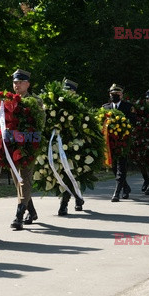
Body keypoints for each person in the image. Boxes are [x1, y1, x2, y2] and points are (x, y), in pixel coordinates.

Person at [9, 69, 40, 230]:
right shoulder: (8, 101)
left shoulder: (36, 101)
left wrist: (29, 141)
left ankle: (19, 216)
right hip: (12, 146)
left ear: (28, 84)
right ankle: (32, 211)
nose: (17, 85)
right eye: (15, 82)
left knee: (24, 179)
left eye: (20, 82)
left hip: (29, 146)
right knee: (17, 181)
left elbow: (39, 124)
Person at [102, 84, 135, 202]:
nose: (114, 96)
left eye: (117, 94)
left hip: (123, 141)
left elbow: (133, 122)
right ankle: (125, 188)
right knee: (114, 167)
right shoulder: (105, 108)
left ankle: (117, 192)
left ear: (121, 95)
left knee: (122, 165)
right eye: (112, 94)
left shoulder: (128, 107)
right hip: (110, 142)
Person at [58, 78, 84, 215]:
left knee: (72, 174)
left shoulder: (79, 108)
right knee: (64, 174)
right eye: (65, 91)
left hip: (75, 146)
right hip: (60, 144)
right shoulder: (58, 106)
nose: (67, 94)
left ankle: (65, 203)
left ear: (74, 93)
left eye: (69, 91)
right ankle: (76, 198)